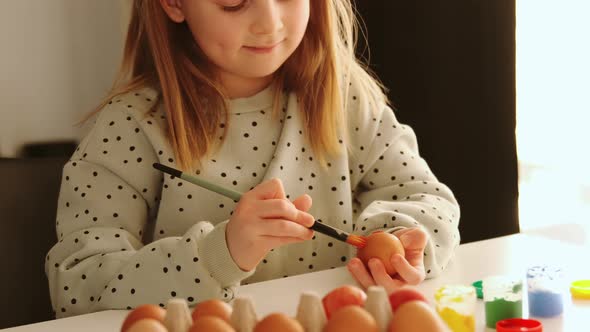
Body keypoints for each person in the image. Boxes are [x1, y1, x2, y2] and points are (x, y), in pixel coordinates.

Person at [46, 0, 460, 317]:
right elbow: (76, 282)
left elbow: (426, 197)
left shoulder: (344, 95)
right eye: (233, 1)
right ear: (173, 3)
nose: (269, 22)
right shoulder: (133, 125)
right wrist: (218, 254)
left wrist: (403, 239)